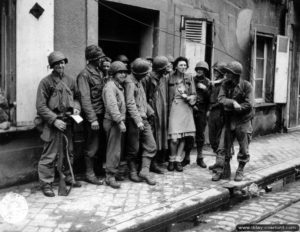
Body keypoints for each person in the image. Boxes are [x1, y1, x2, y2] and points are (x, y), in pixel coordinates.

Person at [36, 51, 81, 197]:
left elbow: (76, 98)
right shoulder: (45, 82)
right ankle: (46, 183)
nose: (61, 65)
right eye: (57, 64)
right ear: (52, 66)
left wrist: (76, 108)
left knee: (69, 152)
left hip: (68, 121)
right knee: (49, 155)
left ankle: (68, 176)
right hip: (52, 124)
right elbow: (41, 106)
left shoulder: (71, 80)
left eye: (62, 63)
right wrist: (54, 120)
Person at [212, 61, 254, 182]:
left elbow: (249, 103)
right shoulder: (225, 84)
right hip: (229, 119)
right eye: (226, 72)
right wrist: (233, 103)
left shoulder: (246, 86)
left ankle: (240, 170)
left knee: (244, 149)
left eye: (229, 73)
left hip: (243, 120)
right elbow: (221, 98)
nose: (226, 75)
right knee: (222, 147)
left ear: (236, 74)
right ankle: (219, 170)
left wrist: (239, 107)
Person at [77, 45, 106, 185]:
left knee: (100, 144)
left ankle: (98, 169)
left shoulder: (99, 72)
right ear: (93, 59)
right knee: (91, 146)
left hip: (102, 114)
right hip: (92, 116)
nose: (102, 59)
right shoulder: (84, 74)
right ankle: (89, 173)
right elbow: (85, 99)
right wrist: (93, 119)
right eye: (99, 57)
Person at [124, 58, 157, 185]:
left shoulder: (139, 81)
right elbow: (130, 103)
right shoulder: (130, 82)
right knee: (134, 148)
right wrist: (138, 121)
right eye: (145, 73)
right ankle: (132, 172)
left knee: (151, 145)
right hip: (133, 119)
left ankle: (144, 171)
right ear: (139, 73)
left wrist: (150, 111)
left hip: (143, 117)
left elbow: (142, 100)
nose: (147, 75)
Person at [167, 56, 196, 172]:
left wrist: (189, 97)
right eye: (181, 65)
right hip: (174, 107)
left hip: (186, 107)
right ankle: (171, 159)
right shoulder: (169, 77)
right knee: (174, 138)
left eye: (185, 65)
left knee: (183, 136)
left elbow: (194, 94)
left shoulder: (189, 78)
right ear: (176, 66)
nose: (183, 67)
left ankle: (178, 160)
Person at [102, 61, 128, 189]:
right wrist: (120, 121)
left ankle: (113, 172)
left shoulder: (118, 86)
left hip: (116, 122)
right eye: (120, 72)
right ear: (113, 74)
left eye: (124, 72)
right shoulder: (110, 86)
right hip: (113, 122)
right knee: (113, 150)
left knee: (116, 150)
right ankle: (110, 176)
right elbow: (112, 106)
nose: (123, 74)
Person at [143, 56, 170, 174]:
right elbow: (141, 98)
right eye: (165, 68)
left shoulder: (162, 77)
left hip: (157, 111)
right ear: (160, 69)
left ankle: (153, 163)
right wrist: (149, 112)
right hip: (148, 112)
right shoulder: (147, 78)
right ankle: (146, 166)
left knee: (157, 137)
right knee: (150, 139)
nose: (167, 70)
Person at [186, 61, 211, 168]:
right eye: (198, 69)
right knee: (188, 134)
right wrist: (192, 105)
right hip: (190, 109)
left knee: (200, 135)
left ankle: (199, 158)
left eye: (202, 69)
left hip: (202, 110)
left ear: (205, 71)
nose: (200, 71)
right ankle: (186, 157)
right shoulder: (191, 80)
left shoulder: (208, 82)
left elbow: (211, 98)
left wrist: (205, 89)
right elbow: (186, 93)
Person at [207, 62, 227, 170]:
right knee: (212, 138)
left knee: (219, 139)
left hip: (219, 112)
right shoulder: (214, 83)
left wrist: (211, 108)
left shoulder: (224, 84)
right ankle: (218, 161)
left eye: (217, 71)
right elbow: (209, 95)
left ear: (221, 73)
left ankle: (220, 163)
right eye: (214, 71)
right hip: (212, 112)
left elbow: (221, 100)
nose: (214, 73)